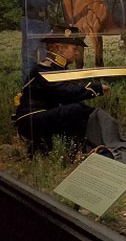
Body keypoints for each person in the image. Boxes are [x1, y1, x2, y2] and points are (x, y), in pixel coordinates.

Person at [13, 26, 109, 154]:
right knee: (75, 110)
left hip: (41, 116)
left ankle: (97, 145)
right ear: (60, 48)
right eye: (74, 49)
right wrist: (95, 88)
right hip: (30, 121)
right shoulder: (44, 69)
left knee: (87, 111)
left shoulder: (55, 68)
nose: (77, 53)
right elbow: (65, 92)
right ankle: (76, 153)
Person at [12, 0, 65, 82]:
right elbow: (32, 2)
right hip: (31, 22)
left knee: (45, 57)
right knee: (29, 57)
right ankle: (28, 88)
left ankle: (44, 85)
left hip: (44, 22)